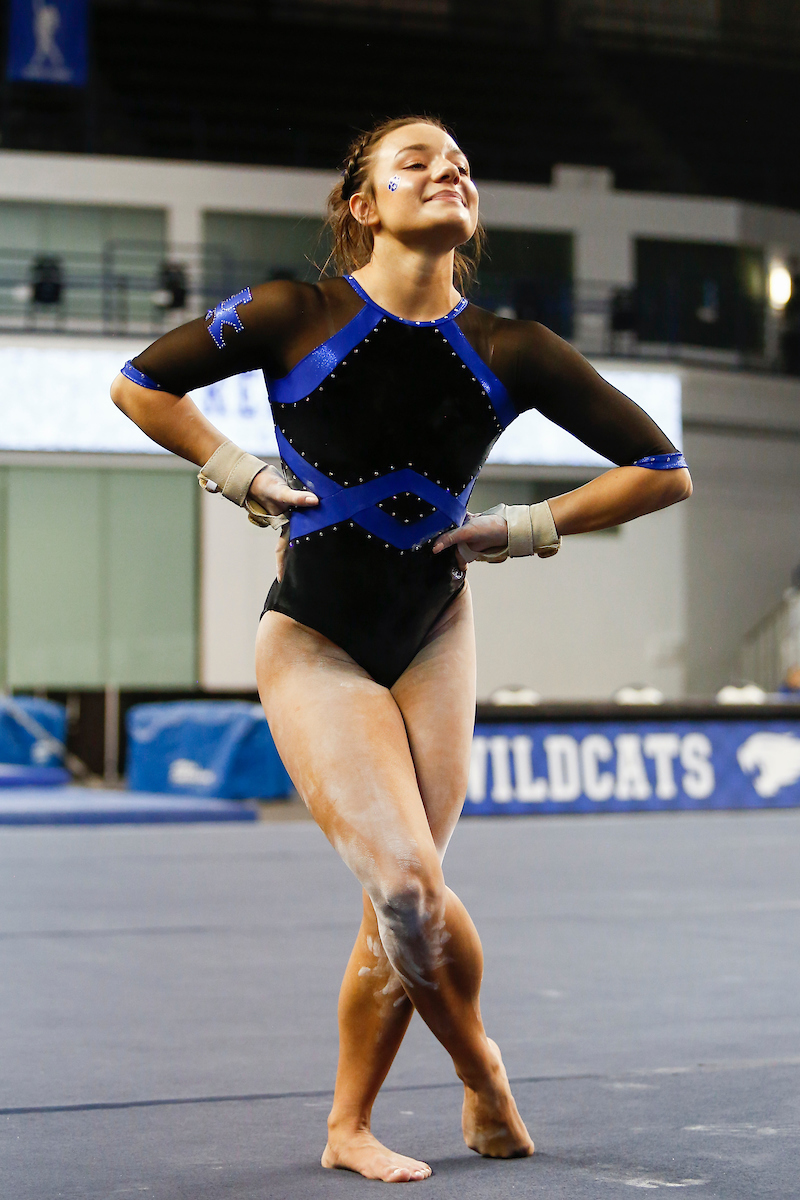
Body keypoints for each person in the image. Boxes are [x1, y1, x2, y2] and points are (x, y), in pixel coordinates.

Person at [110, 115, 692, 1183]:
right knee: (411, 893)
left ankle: (346, 1127)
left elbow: (662, 469)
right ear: (363, 205)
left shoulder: (510, 348)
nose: (447, 170)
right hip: (314, 636)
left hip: (435, 632)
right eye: (415, 160)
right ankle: (486, 1078)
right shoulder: (294, 312)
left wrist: (520, 529)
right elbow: (140, 384)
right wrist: (233, 470)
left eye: (461, 162)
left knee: (399, 898)